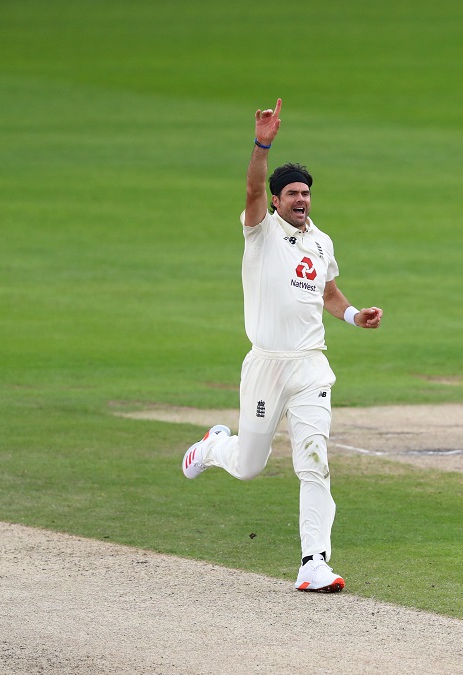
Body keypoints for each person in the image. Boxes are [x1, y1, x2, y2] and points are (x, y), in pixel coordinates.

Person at [180, 98, 383, 593]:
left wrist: (355, 316)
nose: (301, 200)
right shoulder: (260, 232)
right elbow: (251, 184)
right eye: (291, 193)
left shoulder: (322, 242)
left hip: (311, 366)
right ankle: (214, 448)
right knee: (249, 467)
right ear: (275, 200)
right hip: (266, 365)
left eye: (306, 193)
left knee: (314, 459)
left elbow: (328, 293)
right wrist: (261, 144)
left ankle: (314, 562)